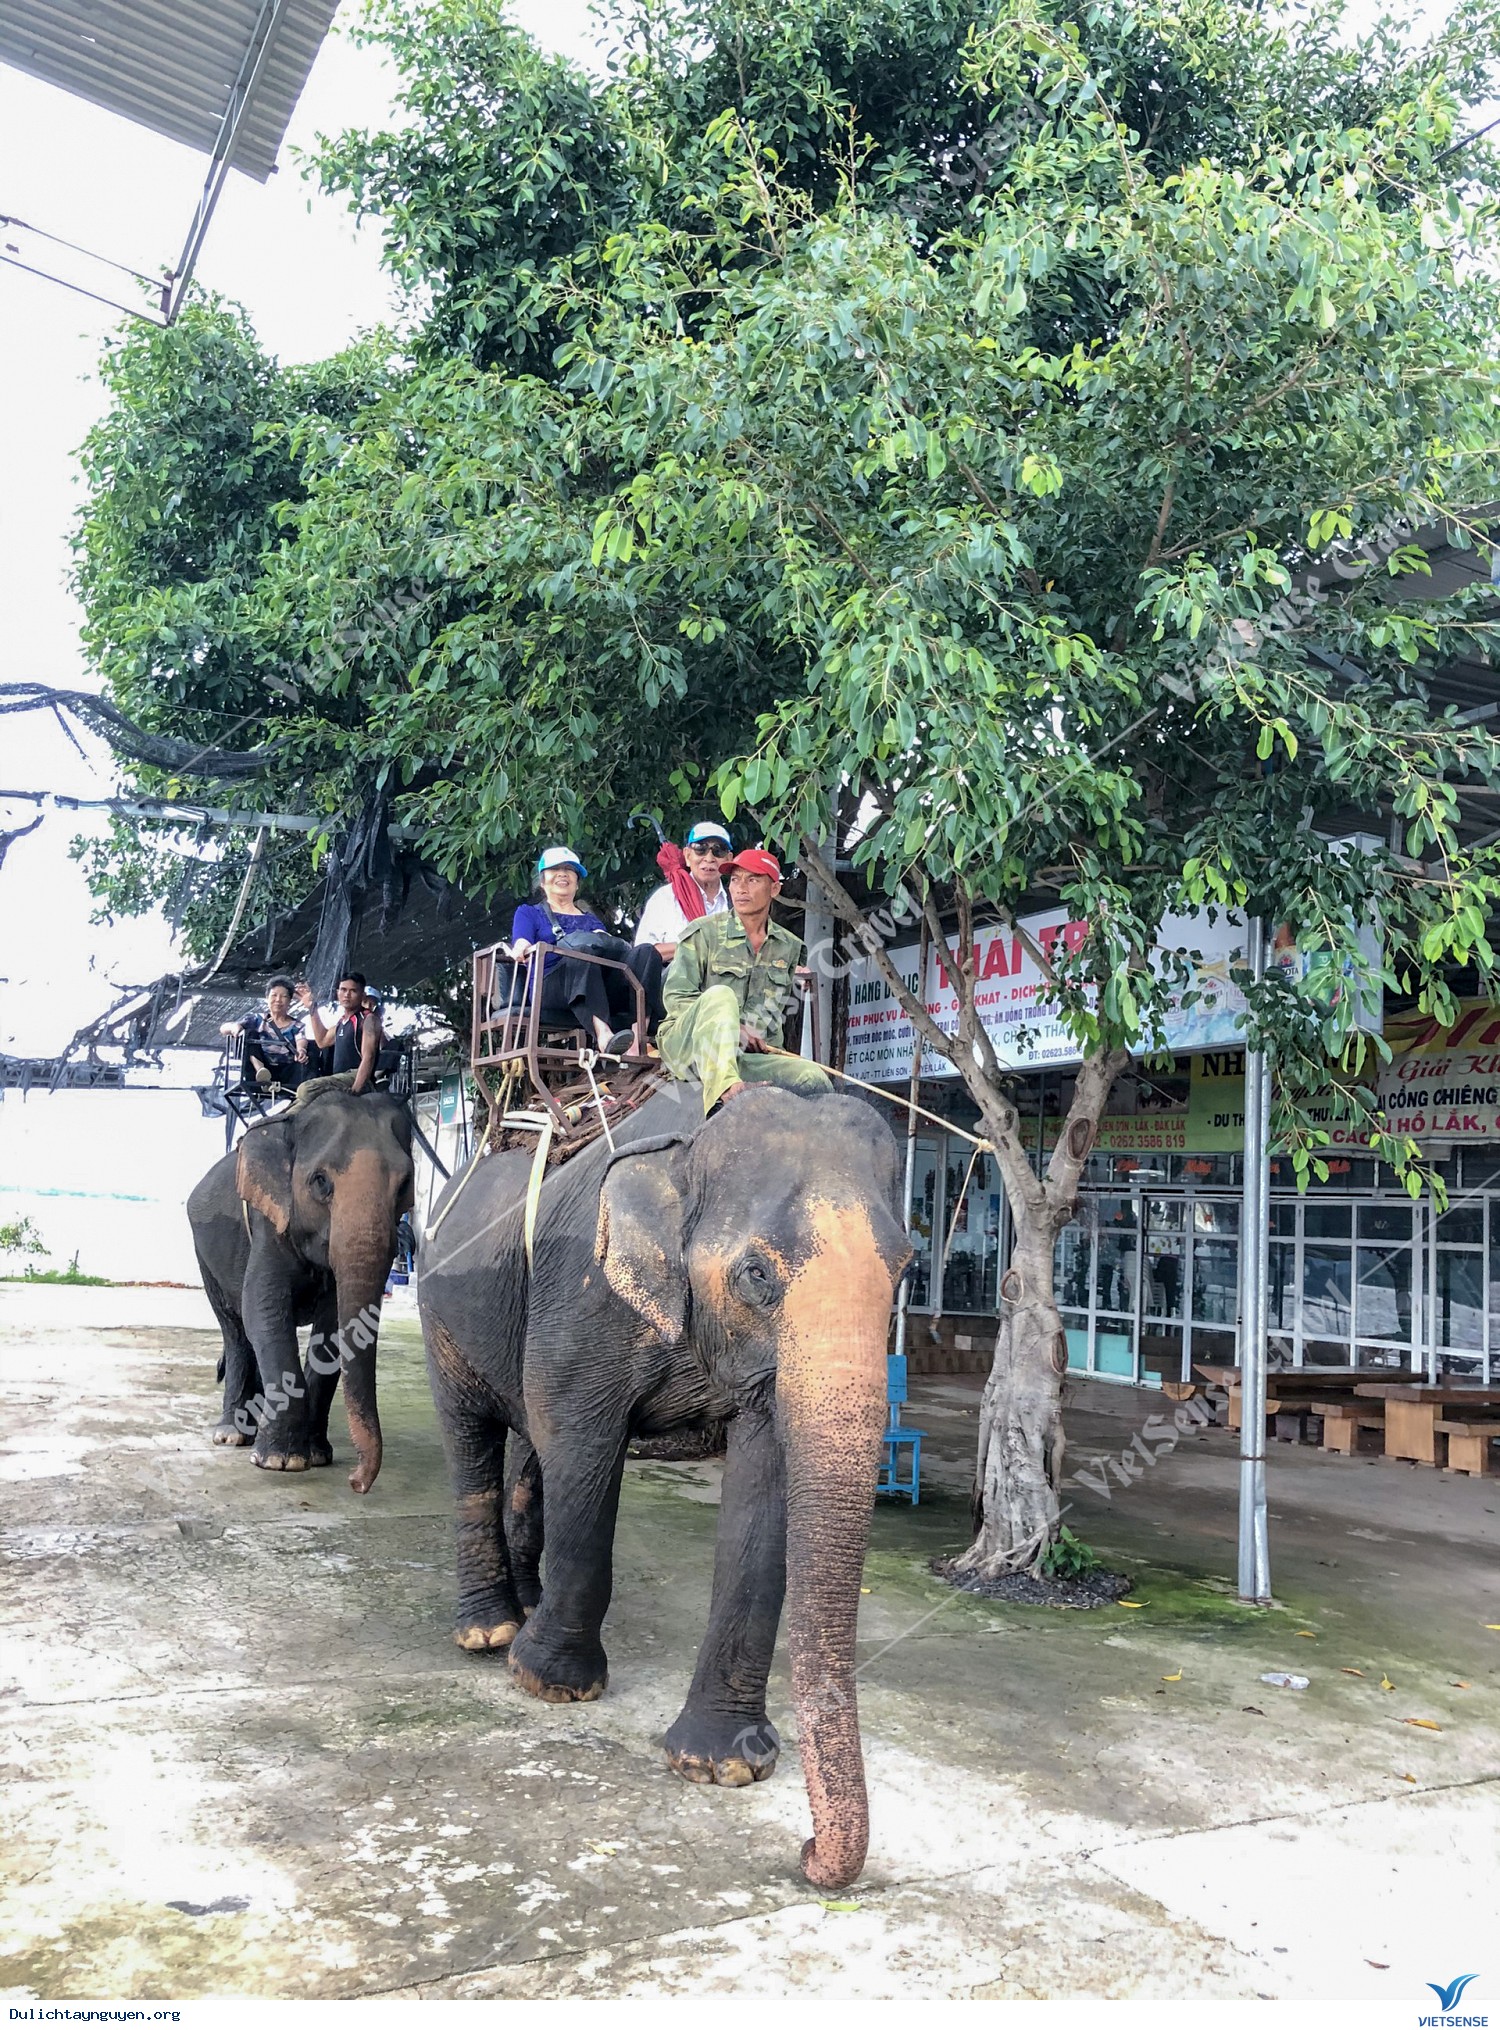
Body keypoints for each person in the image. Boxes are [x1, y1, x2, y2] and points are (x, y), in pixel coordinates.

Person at [658, 847, 832, 1113]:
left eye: (752, 880)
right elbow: (676, 997)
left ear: (774, 889)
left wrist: (769, 1049)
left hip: (744, 1056)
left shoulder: (788, 947)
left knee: (813, 1076)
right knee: (721, 995)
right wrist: (733, 1027)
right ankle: (727, 1090)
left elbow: (774, 1017)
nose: (741, 888)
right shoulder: (703, 932)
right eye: (735, 879)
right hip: (692, 1047)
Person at [510, 847, 664, 1053]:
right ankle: (604, 1036)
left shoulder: (590, 920)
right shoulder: (529, 913)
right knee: (582, 952)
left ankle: (638, 1039)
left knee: (646, 952)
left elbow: (609, 951)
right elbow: (521, 941)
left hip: (595, 985)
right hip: (550, 987)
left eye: (569, 869)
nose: (563, 873)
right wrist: (521, 948)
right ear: (543, 881)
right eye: (555, 869)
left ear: (577, 882)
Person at [633, 821, 732, 963]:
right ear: (687, 856)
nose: (709, 858)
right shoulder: (666, 898)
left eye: (719, 851)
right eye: (700, 849)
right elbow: (642, 955)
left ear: (728, 860)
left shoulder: (737, 899)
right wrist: (693, 946)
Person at [298, 972, 383, 1094]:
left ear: (362, 995)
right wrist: (312, 1008)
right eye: (343, 990)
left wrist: (355, 1090)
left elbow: (369, 1056)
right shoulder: (342, 1022)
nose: (347, 994)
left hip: (355, 1076)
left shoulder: (368, 1019)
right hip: (339, 1078)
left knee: (306, 1089)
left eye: (353, 991)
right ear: (338, 992)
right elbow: (322, 1041)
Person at [219, 975, 308, 1091]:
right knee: (248, 1033)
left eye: (284, 996)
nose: (278, 1000)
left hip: (285, 1073)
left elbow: (301, 1041)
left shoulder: (297, 1026)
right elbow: (223, 1028)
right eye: (274, 995)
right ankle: (262, 1074)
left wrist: (301, 1051)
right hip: (256, 1072)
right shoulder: (257, 1019)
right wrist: (234, 1027)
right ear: (267, 998)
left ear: (289, 1001)